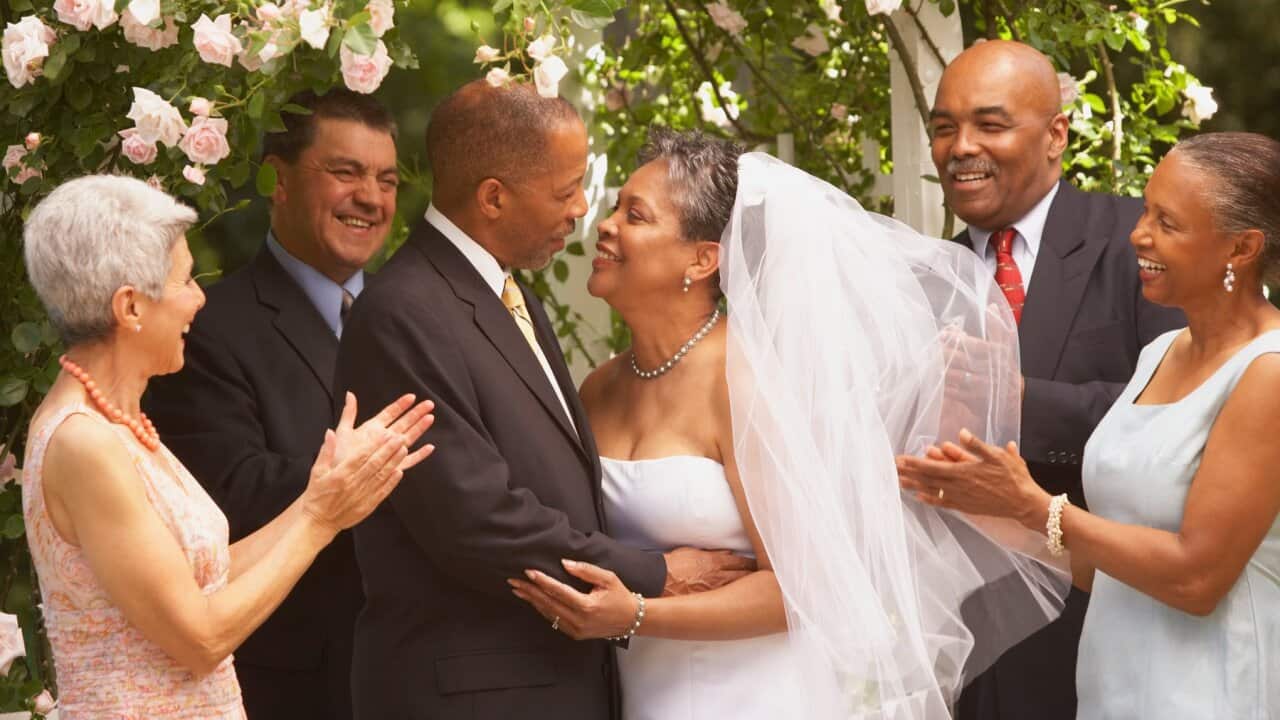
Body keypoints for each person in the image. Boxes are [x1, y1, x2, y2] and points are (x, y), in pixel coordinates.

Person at [509, 129, 1071, 719]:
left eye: (636, 215)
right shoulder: (599, 387)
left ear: (702, 259)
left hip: (749, 692)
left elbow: (803, 590)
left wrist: (639, 615)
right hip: (633, 687)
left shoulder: (744, 381)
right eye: (616, 207)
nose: (605, 224)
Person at [333, 82, 753, 720]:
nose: (584, 212)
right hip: (472, 696)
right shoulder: (404, 313)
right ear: (494, 197)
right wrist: (656, 576)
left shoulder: (513, 300)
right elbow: (476, 518)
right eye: (566, 191)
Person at [20, 175, 435, 718]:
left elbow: (204, 581)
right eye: (185, 281)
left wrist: (318, 495)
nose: (199, 300)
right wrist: (322, 520)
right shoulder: (83, 442)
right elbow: (200, 640)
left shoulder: (117, 424)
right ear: (131, 308)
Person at [899, 131, 1280, 718]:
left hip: (1212, 692)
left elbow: (1196, 580)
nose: (1138, 234)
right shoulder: (1161, 355)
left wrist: (1035, 505)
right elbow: (1108, 568)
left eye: (1167, 223)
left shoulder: (1267, 372)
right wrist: (976, 505)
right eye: (1146, 209)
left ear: (1241, 247)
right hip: (1112, 689)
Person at [927, 39, 1185, 720]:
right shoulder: (920, 276)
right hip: (958, 644)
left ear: (1056, 135)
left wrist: (1020, 400)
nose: (961, 147)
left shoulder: (1138, 239)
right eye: (944, 127)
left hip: (1112, 622)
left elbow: (1187, 421)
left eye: (990, 124)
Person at [144, 88, 399, 720]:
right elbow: (227, 498)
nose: (371, 196)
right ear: (279, 181)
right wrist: (388, 470)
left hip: (417, 676)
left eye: (387, 179)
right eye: (346, 172)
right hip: (296, 686)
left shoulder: (414, 318)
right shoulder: (207, 330)